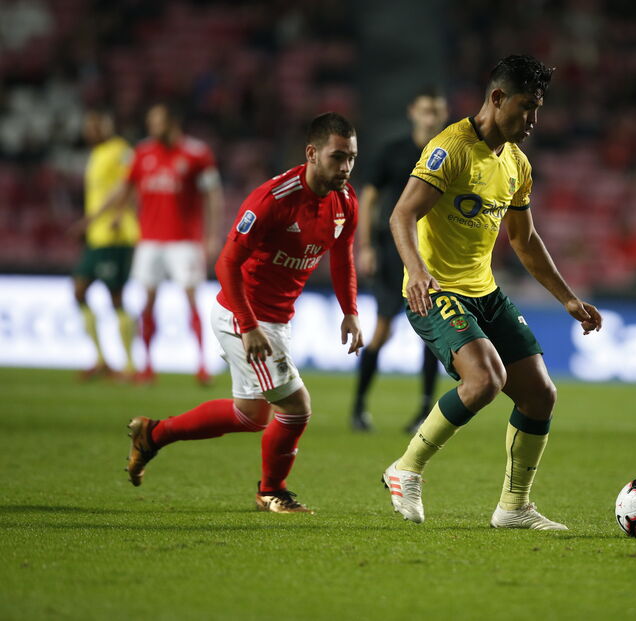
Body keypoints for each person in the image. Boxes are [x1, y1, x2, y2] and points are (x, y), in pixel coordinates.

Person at [381, 55, 602, 530]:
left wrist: (567, 298)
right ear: (497, 99)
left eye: (538, 109)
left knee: (541, 395)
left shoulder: (518, 164)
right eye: (526, 107)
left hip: (485, 292)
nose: (533, 120)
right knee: (484, 381)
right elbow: (401, 215)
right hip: (436, 291)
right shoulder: (450, 149)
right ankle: (406, 469)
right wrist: (416, 271)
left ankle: (513, 507)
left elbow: (524, 239)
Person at [125, 112, 363, 512]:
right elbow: (225, 265)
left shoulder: (345, 202)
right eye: (338, 157)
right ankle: (272, 491)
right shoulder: (273, 199)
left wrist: (350, 311)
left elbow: (342, 258)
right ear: (311, 153)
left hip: (277, 319)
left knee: (251, 415)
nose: (346, 167)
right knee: (296, 407)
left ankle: (153, 434)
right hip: (244, 314)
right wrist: (249, 325)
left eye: (352, 157)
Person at [91, 102, 223, 385]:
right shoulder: (142, 153)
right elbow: (125, 187)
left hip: (184, 241)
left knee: (191, 300)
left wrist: (212, 236)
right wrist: (114, 215)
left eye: (157, 122)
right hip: (149, 240)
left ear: (172, 122)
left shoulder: (197, 154)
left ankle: (201, 364)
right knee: (148, 302)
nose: (151, 127)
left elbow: (213, 196)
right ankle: (147, 365)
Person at [351, 88, 448, 433]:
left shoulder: (450, 154)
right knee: (383, 328)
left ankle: (424, 411)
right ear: (413, 112)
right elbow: (370, 198)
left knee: (432, 334)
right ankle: (359, 406)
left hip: (434, 254)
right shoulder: (394, 152)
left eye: (436, 111)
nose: (431, 117)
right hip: (394, 252)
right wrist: (365, 246)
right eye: (426, 110)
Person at [72, 109, 139, 380]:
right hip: (97, 237)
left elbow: (131, 185)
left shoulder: (120, 150)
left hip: (116, 235)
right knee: (79, 290)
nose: (88, 132)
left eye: (93, 126)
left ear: (104, 126)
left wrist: (120, 215)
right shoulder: (97, 154)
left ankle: (130, 367)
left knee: (116, 298)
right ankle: (101, 360)